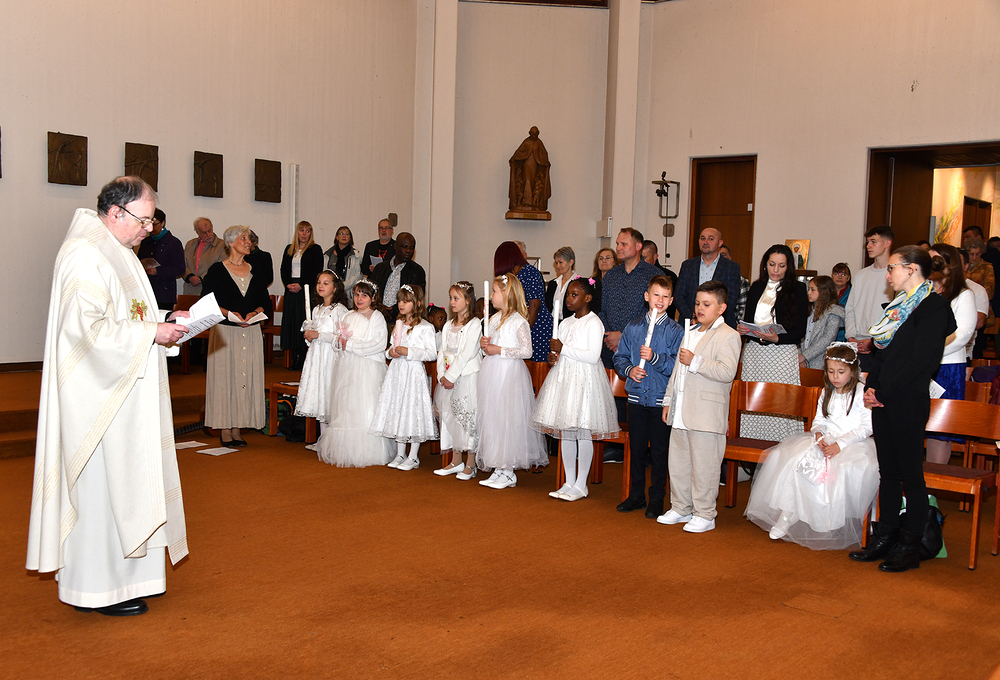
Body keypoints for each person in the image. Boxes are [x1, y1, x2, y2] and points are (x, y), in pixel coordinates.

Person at [27, 176, 189, 617]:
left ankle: (130, 578)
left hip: (124, 392)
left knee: (128, 484)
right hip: (99, 401)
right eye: (144, 220)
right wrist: (151, 332)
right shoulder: (85, 253)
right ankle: (96, 588)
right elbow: (85, 333)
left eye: (151, 222)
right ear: (116, 212)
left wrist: (165, 319)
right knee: (102, 492)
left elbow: (127, 313)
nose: (149, 230)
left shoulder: (118, 250)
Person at [849, 246, 956, 573]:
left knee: (911, 475)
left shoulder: (934, 307)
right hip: (883, 396)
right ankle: (885, 538)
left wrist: (883, 392)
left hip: (908, 398)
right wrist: (871, 387)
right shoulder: (896, 306)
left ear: (911, 269)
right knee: (889, 474)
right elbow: (882, 355)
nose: (888, 274)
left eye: (892, 267)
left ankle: (910, 546)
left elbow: (921, 361)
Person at [745, 343, 879, 549]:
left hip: (852, 444)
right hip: (825, 440)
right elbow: (819, 420)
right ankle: (787, 514)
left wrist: (840, 444)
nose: (835, 377)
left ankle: (832, 519)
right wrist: (818, 435)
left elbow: (866, 427)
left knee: (841, 468)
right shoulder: (827, 392)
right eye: (831, 371)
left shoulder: (862, 393)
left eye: (841, 372)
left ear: (852, 371)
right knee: (795, 461)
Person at [657, 281, 742, 533]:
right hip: (682, 407)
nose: (699, 308)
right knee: (679, 462)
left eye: (706, 304)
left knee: (705, 465)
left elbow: (727, 372)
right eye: (697, 303)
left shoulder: (729, 335)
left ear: (721, 308)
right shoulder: (690, 331)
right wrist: (669, 399)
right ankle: (681, 507)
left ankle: (705, 513)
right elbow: (676, 371)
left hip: (706, 412)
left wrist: (696, 361)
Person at [533, 277, 619, 502]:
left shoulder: (594, 323)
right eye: (568, 295)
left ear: (587, 298)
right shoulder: (565, 323)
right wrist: (554, 357)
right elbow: (560, 354)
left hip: (585, 382)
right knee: (567, 434)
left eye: (574, 295)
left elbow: (592, 356)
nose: (569, 299)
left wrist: (563, 348)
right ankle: (569, 481)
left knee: (583, 434)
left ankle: (581, 484)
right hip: (565, 380)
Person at [613, 275, 683, 518]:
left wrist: (654, 358)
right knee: (637, 449)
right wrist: (629, 370)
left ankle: (656, 498)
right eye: (656, 295)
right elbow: (620, 357)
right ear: (646, 296)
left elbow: (677, 366)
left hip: (660, 400)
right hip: (636, 398)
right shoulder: (633, 328)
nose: (660, 300)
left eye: (665, 296)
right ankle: (636, 494)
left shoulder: (675, 331)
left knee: (659, 451)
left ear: (671, 301)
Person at [201, 225, 271, 447]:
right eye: (243, 238)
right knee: (225, 379)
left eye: (249, 239)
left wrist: (255, 313)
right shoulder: (217, 270)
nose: (248, 242)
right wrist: (229, 314)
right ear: (230, 242)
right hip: (225, 332)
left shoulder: (255, 270)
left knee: (245, 378)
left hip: (250, 332)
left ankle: (238, 427)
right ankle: (224, 428)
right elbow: (207, 300)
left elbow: (265, 301)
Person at [476, 274, 548, 489]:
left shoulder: (519, 321)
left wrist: (499, 349)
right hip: (492, 372)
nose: (490, 296)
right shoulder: (493, 319)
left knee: (508, 419)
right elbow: (489, 348)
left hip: (509, 375)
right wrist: (485, 345)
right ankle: (498, 466)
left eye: (494, 292)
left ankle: (508, 470)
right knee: (494, 418)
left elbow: (527, 351)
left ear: (507, 294)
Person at [316, 280, 393, 467]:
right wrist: (339, 342)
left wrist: (349, 344)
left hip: (368, 368)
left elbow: (378, 344)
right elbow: (337, 340)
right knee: (347, 405)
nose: (359, 299)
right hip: (347, 367)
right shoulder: (348, 315)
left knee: (366, 404)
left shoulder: (376, 317)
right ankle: (345, 449)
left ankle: (369, 450)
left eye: (364, 295)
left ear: (373, 298)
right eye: (357, 294)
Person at [738, 244, 809, 441]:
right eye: (772, 264)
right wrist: (744, 329)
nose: (776, 270)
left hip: (781, 353)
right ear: (765, 265)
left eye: (781, 266)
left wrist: (778, 338)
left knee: (780, 401)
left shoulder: (798, 289)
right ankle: (751, 443)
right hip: (755, 353)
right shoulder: (756, 287)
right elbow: (749, 320)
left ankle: (781, 445)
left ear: (789, 267)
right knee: (754, 399)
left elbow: (800, 330)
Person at [372, 284, 438, 471]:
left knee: (412, 409)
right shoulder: (398, 324)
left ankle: (413, 456)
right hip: (397, 372)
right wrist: (391, 353)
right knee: (398, 408)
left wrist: (409, 351)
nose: (401, 304)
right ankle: (400, 453)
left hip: (413, 373)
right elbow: (390, 348)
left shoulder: (425, 327)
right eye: (400, 300)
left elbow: (431, 353)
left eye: (406, 301)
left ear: (417, 303)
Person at [923, 244, 976, 465]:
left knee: (939, 431)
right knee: (916, 426)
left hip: (946, 367)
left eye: (936, 261)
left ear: (949, 266)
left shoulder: (963, 295)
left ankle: (933, 482)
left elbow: (963, 334)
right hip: (920, 365)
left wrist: (930, 350)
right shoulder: (923, 292)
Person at [433, 281, 483, 481]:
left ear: (468, 300)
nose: (452, 302)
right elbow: (442, 352)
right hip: (448, 378)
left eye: (456, 298)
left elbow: (467, 353)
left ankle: (470, 463)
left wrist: (451, 376)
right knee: (451, 416)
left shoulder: (475, 324)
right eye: (451, 298)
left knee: (467, 417)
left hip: (467, 377)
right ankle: (455, 461)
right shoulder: (448, 325)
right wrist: (441, 375)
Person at [294, 270, 350, 440]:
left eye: (326, 283)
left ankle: (334, 440)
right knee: (320, 397)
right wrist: (309, 336)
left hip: (330, 357)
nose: (321, 286)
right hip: (317, 357)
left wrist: (319, 335)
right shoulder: (317, 309)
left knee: (329, 396)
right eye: (319, 282)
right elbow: (313, 339)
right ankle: (323, 439)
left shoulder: (340, 310)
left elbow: (342, 338)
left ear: (335, 287)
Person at [597, 228, 660, 368]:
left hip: (638, 345)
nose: (618, 248)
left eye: (624, 244)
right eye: (617, 244)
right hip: (609, 346)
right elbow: (603, 310)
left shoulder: (653, 275)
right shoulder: (610, 276)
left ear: (638, 246)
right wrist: (609, 337)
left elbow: (652, 312)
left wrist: (623, 335)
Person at [494, 241, 552, 363]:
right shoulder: (513, 276)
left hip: (536, 327)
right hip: (522, 325)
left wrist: (523, 330)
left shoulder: (530, 272)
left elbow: (535, 305)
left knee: (535, 368)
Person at [845, 225, 893, 372]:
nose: (868, 246)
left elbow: (895, 316)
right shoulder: (861, 275)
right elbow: (850, 308)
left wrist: (873, 341)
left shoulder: (895, 276)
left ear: (887, 243)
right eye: (867, 242)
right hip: (858, 344)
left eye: (873, 242)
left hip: (884, 346)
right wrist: (851, 336)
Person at [674, 227, 743, 328]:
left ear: (720, 243)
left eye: (711, 239)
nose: (705, 242)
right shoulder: (688, 265)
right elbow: (679, 295)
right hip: (690, 323)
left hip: (720, 325)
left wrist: (709, 319)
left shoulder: (732, 267)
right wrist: (692, 317)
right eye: (702, 238)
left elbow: (731, 299)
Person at [280, 220, 325, 370]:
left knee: (303, 322)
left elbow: (316, 270)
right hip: (291, 290)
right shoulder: (290, 248)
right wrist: (288, 284)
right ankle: (294, 357)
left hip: (306, 290)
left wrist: (302, 284)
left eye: (307, 231)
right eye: (301, 230)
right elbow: (283, 269)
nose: (304, 234)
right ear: (297, 232)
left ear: (311, 233)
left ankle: (303, 358)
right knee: (292, 324)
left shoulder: (315, 249)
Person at [370, 232, 427, 322]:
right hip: (377, 316)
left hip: (403, 319)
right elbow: (370, 292)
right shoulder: (380, 268)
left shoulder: (417, 271)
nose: (408, 250)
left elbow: (416, 297)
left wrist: (393, 311)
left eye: (411, 248)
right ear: (395, 246)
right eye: (405, 247)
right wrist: (380, 308)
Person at [137, 208, 185, 310]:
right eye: (149, 224)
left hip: (164, 294)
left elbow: (180, 269)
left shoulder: (173, 242)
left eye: (155, 224)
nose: (152, 228)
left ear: (163, 223)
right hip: (146, 291)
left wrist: (157, 271)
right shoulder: (145, 242)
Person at [798, 276, 845, 370]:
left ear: (824, 291)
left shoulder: (833, 312)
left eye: (813, 290)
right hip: (802, 360)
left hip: (820, 361)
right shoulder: (807, 310)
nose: (808, 293)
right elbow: (799, 335)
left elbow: (827, 339)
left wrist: (805, 356)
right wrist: (800, 355)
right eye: (808, 289)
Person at [507, 126, 551, 213]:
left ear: (538, 134)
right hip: (527, 164)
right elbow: (519, 151)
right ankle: (525, 201)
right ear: (530, 133)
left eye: (536, 133)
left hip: (534, 165)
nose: (534, 135)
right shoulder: (527, 142)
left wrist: (545, 162)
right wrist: (514, 158)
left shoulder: (539, 143)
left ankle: (533, 203)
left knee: (533, 181)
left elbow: (543, 154)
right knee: (526, 180)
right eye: (532, 133)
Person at [182, 217, 225, 296]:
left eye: (209, 230)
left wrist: (201, 279)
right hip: (190, 289)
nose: (208, 234)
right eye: (204, 232)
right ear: (197, 232)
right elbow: (182, 264)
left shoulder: (222, 245)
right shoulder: (190, 244)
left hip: (210, 289)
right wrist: (189, 277)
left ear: (212, 227)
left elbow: (221, 267)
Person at [324, 225, 362, 304]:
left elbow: (358, 275)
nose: (344, 236)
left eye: (347, 234)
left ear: (350, 238)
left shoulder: (356, 255)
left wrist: (342, 286)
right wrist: (332, 287)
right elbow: (324, 273)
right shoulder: (328, 254)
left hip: (348, 293)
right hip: (331, 292)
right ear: (336, 237)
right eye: (341, 234)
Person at [545, 246, 577, 324]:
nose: (558, 266)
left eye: (560, 262)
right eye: (556, 263)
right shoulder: (553, 283)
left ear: (571, 262)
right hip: (551, 323)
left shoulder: (577, 284)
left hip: (570, 323)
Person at [719, 244, 748, 323]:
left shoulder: (742, 280)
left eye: (723, 255)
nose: (720, 258)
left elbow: (743, 308)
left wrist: (737, 325)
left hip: (732, 325)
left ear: (730, 258)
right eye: (718, 255)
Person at [832, 262, 852, 341]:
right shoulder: (826, 293)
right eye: (837, 274)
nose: (839, 277)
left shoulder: (853, 294)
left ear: (848, 278)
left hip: (845, 335)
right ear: (832, 276)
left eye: (843, 274)